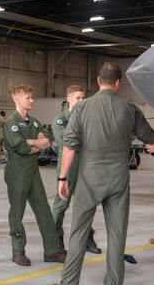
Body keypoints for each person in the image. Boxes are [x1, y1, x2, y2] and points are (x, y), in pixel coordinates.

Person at [52, 62, 154, 285]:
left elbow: (69, 146)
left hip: (89, 180)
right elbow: (152, 139)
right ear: (118, 83)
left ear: (98, 81)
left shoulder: (81, 108)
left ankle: (69, 282)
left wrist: (62, 178)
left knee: (78, 233)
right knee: (117, 236)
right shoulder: (130, 109)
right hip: (118, 181)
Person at [3, 84, 66, 266]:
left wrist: (36, 144)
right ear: (17, 99)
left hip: (33, 172)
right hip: (17, 174)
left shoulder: (35, 122)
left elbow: (48, 141)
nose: (32, 100)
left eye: (32, 97)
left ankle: (52, 251)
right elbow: (23, 148)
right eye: (28, 97)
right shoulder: (10, 124)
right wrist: (36, 144)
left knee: (44, 211)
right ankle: (18, 252)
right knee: (17, 213)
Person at [50, 85, 101, 254]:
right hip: (69, 164)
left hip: (86, 164)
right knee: (61, 203)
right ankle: (55, 240)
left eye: (83, 97)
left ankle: (87, 238)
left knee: (86, 203)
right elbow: (67, 143)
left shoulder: (88, 118)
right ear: (69, 98)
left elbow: (94, 141)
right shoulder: (60, 120)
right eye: (77, 97)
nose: (81, 100)